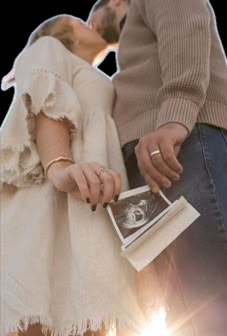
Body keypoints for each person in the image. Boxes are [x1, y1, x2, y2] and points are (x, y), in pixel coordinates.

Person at [88, 0, 227, 335]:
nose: (91, 27)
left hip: (184, 144)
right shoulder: (128, 59)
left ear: (113, 3)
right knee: (187, 313)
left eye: (92, 19)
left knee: (216, 300)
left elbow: (186, 22)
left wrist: (174, 118)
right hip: (151, 165)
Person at [0, 14, 145, 336]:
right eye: (80, 21)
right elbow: (44, 99)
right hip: (55, 200)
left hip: (94, 203)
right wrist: (60, 166)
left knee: (88, 312)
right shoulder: (49, 48)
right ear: (61, 33)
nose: (92, 21)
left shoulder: (97, 76)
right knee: (43, 307)